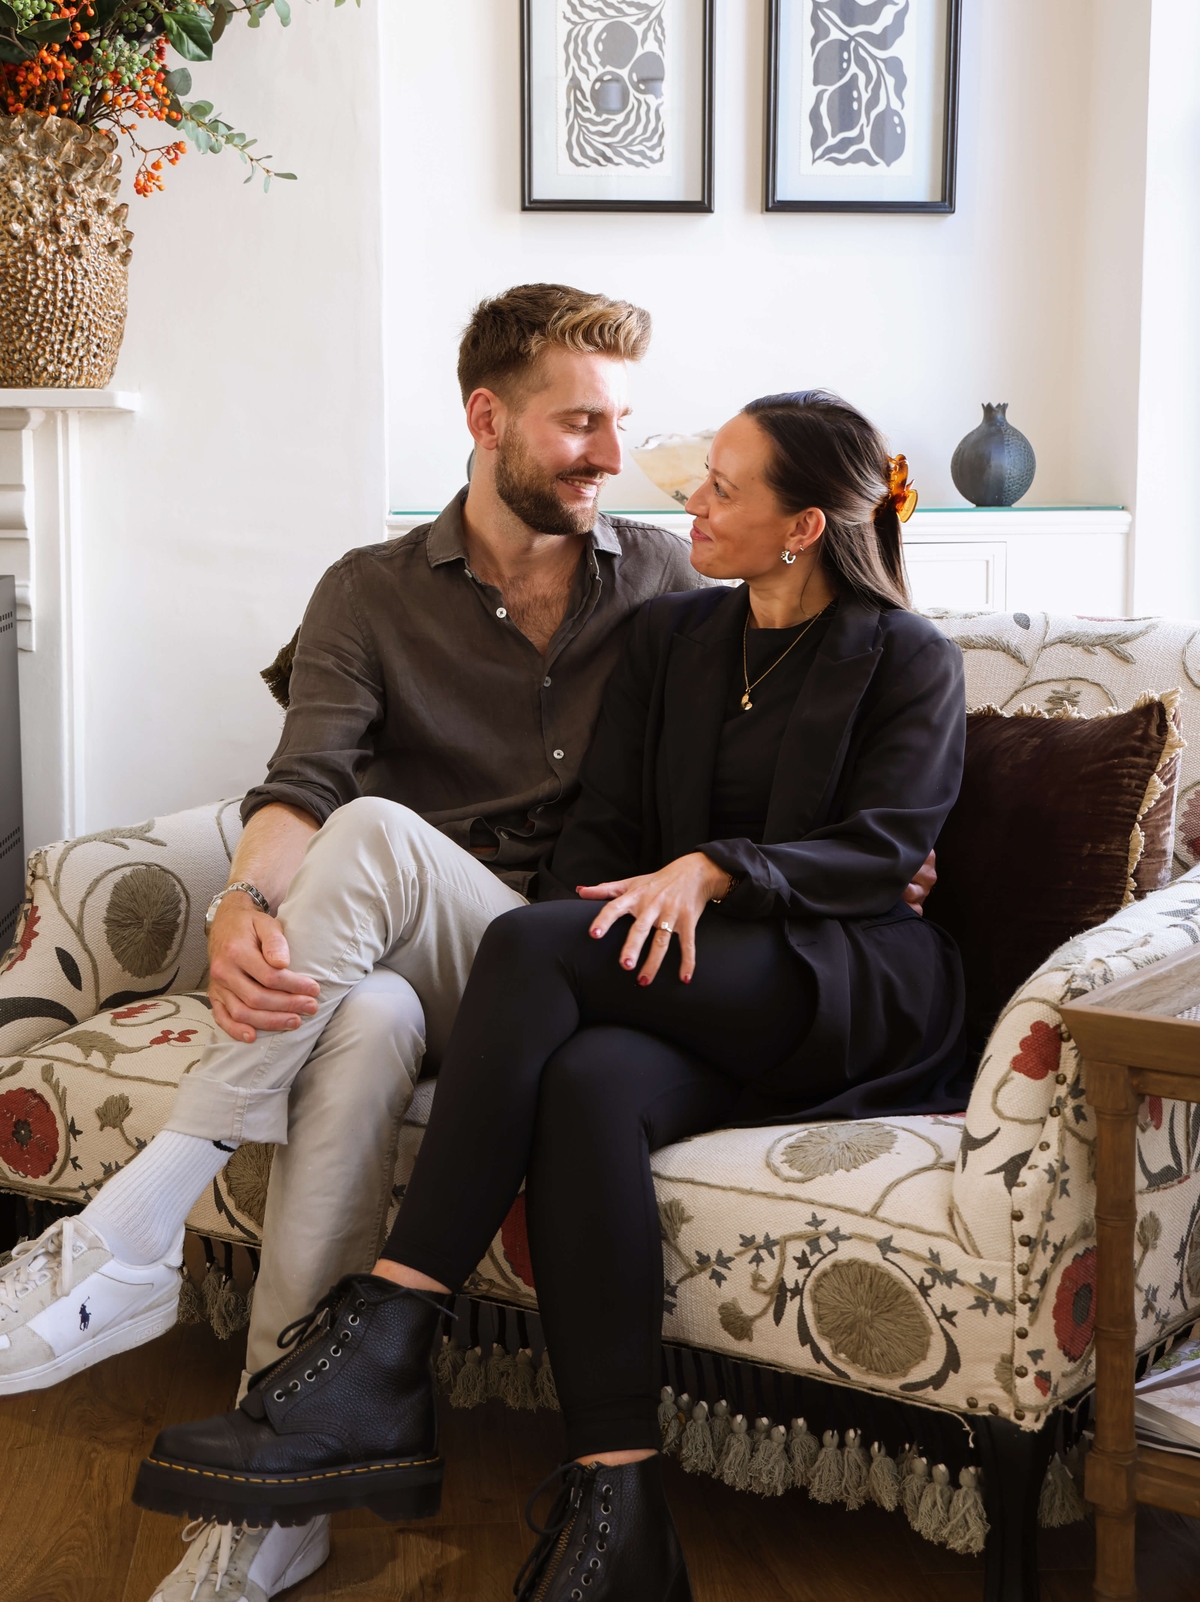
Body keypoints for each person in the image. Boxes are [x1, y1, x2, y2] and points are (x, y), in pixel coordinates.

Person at [131, 391, 966, 1602]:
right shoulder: (678, 636)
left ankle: (389, 1336)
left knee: (527, 948)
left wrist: (721, 866)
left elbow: (891, 845)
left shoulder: (907, 655)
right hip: (688, 979)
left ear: (803, 527)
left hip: (841, 974)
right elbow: (605, 833)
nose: (691, 501)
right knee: (587, 1080)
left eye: (724, 487)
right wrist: (605, 923)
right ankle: (619, 1513)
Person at [0, 284, 729, 1602]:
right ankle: (283, 1488)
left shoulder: (669, 582)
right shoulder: (371, 590)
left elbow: (810, 676)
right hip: (427, 978)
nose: (612, 457)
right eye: (580, 424)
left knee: (387, 840)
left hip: (565, 970)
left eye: (622, 424)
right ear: (486, 417)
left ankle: (135, 1224)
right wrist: (239, 905)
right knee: (369, 1021)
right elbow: (303, 785)